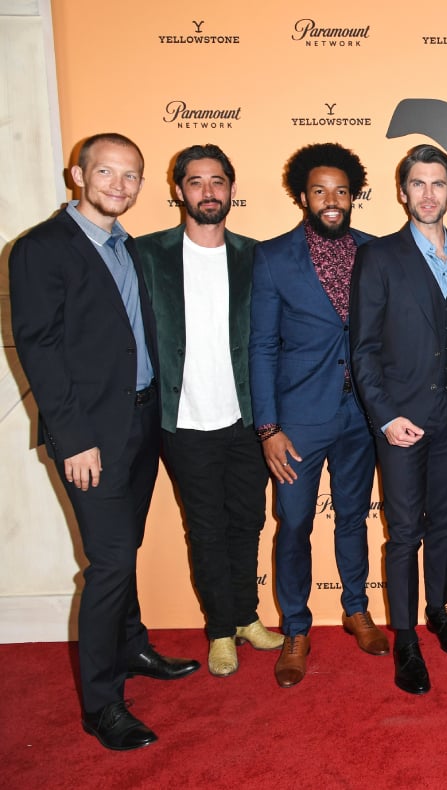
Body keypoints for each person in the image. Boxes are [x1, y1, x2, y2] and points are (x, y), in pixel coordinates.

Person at [11, 133, 199, 751]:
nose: (119, 185)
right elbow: (40, 351)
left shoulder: (128, 246)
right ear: (77, 174)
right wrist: (74, 439)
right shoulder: (41, 249)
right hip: (89, 435)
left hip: (142, 423)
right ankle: (101, 705)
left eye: (132, 176)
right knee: (111, 562)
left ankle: (133, 646)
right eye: (107, 172)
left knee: (127, 548)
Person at [138, 144, 284, 677]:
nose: (208, 192)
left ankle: (246, 617)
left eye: (217, 181)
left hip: (247, 419)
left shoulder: (254, 255)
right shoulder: (147, 254)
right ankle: (220, 628)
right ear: (179, 190)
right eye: (196, 182)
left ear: (231, 189)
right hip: (183, 421)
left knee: (247, 522)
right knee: (206, 528)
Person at [249, 142, 386, 688]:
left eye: (341, 191)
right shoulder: (274, 256)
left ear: (353, 196)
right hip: (299, 418)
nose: (332, 201)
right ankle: (297, 629)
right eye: (320, 191)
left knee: (354, 516)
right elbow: (260, 346)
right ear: (302, 196)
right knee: (296, 523)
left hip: (362, 416)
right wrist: (268, 427)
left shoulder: (376, 251)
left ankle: (356, 610)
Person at [351, 144, 447, 695]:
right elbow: (364, 350)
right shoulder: (379, 257)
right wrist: (385, 417)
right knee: (403, 535)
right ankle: (405, 638)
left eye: (438, 183)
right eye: (418, 184)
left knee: (444, 523)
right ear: (402, 192)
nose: (428, 194)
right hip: (401, 422)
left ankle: (438, 610)